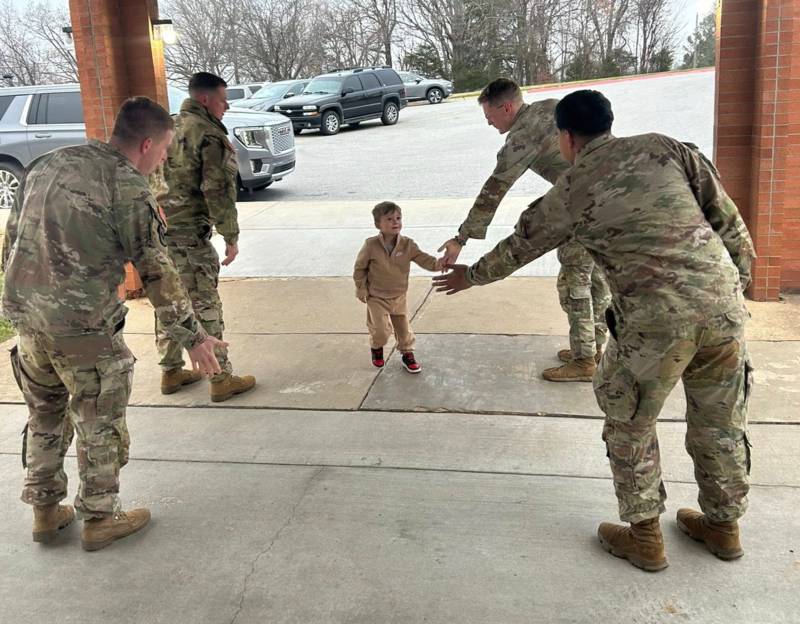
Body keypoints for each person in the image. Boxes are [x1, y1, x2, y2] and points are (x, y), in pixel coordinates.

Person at [434, 90, 755, 572]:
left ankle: (645, 537)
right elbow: (727, 221)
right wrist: (735, 287)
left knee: (629, 422)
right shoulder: (668, 147)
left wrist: (470, 274)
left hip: (653, 325)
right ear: (609, 122)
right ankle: (724, 527)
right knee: (720, 422)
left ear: (565, 138)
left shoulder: (570, 188)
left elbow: (521, 246)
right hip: (723, 310)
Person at [2, 97, 225, 551]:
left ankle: (45, 513)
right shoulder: (127, 184)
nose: (164, 159)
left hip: (29, 318)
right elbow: (158, 270)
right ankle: (101, 518)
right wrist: (195, 338)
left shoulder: (48, 162)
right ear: (147, 143)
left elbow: (12, 237)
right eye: (164, 150)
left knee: (45, 414)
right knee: (98, 420)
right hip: (82, 328)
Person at [437, 78, 611, 382]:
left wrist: (461, 238)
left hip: (580, 208)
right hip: (606, 202)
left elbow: (495, 188)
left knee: (575, 283)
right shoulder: (549, 108)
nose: (490, 124)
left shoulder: (522, 136)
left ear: (506, 107)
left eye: (490, 117)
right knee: (595, 277)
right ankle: (593, 347)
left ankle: (584, 360)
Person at [154, 71, 255, 402]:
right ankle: (220, 377)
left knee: (168, 299)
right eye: (223, 100)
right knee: (203, 302)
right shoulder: (209, 135)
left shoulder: (165, 127)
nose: (226, 107)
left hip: (158, 235)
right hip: (190, 238)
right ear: (204, 99)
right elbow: (218, 189)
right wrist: (231, 235)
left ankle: (170, 371)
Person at [354, 201, 443, 373]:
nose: (396, 222)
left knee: (403, 327)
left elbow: (423, 258)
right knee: (380, 330)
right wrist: (361, 289)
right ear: (378, 225)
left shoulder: (407, 244)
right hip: (376, 296)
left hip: (399, 295)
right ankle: (377, 346)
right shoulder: (370, 245)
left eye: (398, 218)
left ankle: (407, 353)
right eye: (389, 219)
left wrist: (438, 264)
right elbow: (359, 267)